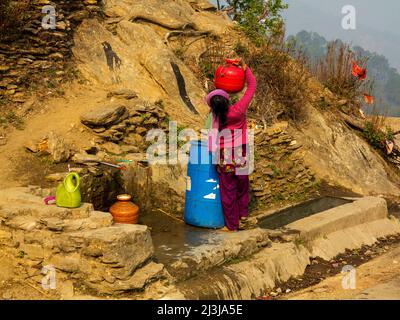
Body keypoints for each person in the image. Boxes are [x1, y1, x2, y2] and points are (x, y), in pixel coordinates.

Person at [206, 61, 257, 232]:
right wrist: (244, 67)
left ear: (213, 107)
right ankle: (243, 214)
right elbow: (252, 86)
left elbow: (212, 142)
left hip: (224, 156)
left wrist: (212, 159)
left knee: (228, 191)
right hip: (241, 152)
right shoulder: (239, 110)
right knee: (242, 184)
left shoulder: (215, 118)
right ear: (227, 101)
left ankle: (232, 225)